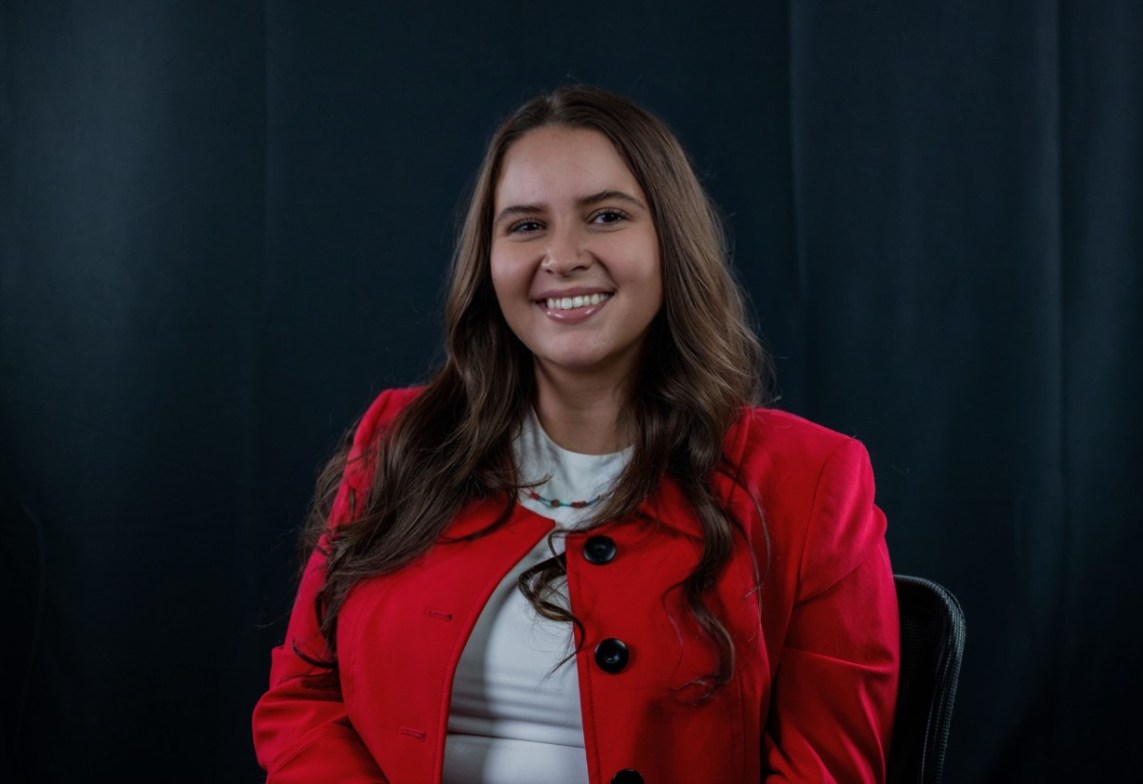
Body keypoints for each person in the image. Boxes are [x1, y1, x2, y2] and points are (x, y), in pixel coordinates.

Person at [252, 85, 900, 783]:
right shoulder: (402, 438)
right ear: (488, 261)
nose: (563, 256)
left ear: (670, 240)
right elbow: (303, 698)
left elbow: (826, 770)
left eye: (606, 216)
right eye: (526, 226)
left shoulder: (811, 481)